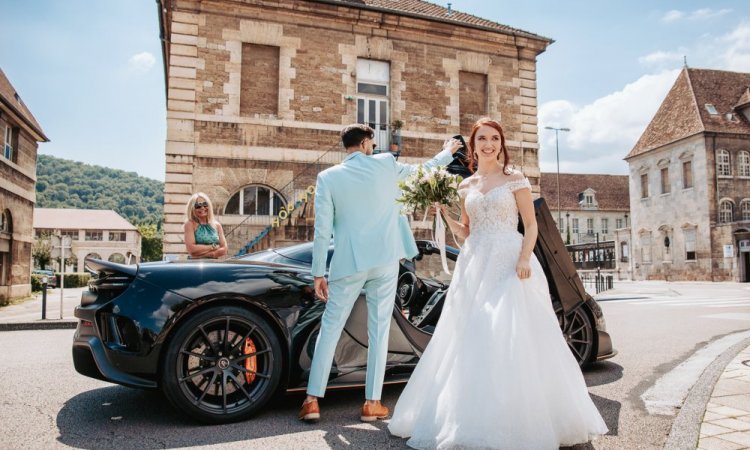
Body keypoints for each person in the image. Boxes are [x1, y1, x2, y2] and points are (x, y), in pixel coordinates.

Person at [388, 118, 608, 449]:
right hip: (475, 263)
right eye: (482, 139)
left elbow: (530, 225)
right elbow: (466, 234)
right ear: (473, 146)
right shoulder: (465, 186)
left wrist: (523, 258)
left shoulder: (516, 179)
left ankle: (524, 418)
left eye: (494, 138)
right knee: (474, 336)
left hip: (510, 261)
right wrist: (445, 215)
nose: (489, 144)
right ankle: (474, 417)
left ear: (501, 144)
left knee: (511, 333)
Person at [298, 124, 463, 423]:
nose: (374, 149)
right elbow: (423, 171)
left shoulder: (327, 178)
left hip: (347, 262)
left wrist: (318, 273)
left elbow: (322, 230)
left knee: (330, 328)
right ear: (363, 144)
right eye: (372, 144)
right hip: (385, 260)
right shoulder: (386, 164)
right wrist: (448, 152)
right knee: (379, 331)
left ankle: (311, 401)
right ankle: (372, 403)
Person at [183, 193, 227, 259]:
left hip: (214, 265)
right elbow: (191, 249)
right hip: (196, 265)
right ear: (192, 208)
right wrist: (213, 247)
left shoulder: (217, 225)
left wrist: (211, 254)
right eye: (198, 206)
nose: (202, 208)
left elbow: (224, 250)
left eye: (205, 204)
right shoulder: (190, 224)